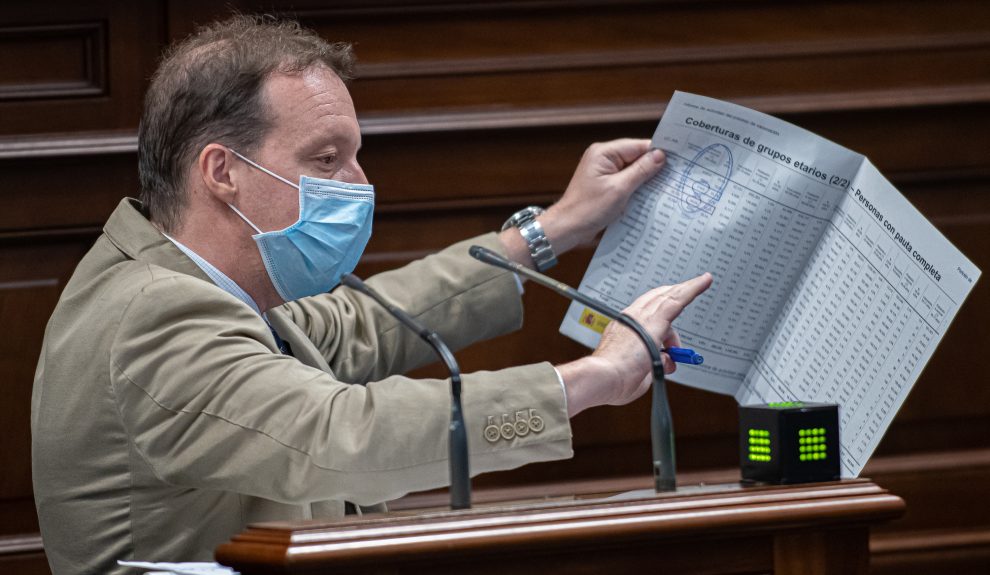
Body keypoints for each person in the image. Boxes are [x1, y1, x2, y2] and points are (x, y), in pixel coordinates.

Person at [31, 14, 712, 575]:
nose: (358, 184)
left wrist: (554, 228)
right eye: (326, 159)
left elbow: (360, 324)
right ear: (222, 172)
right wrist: (595, 376)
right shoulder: (154, 311)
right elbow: (341, 435)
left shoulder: (192, 280)